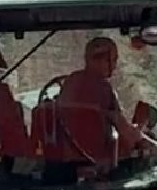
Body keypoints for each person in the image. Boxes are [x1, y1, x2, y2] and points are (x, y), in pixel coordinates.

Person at [31, 35, 147, 167]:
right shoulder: (103, 89)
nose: (114, 66)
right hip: (99, 165)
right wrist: (144, 140)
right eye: (112, 60)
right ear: (100, 60)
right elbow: (123, 129)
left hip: (64, 165)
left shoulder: (70, 83)